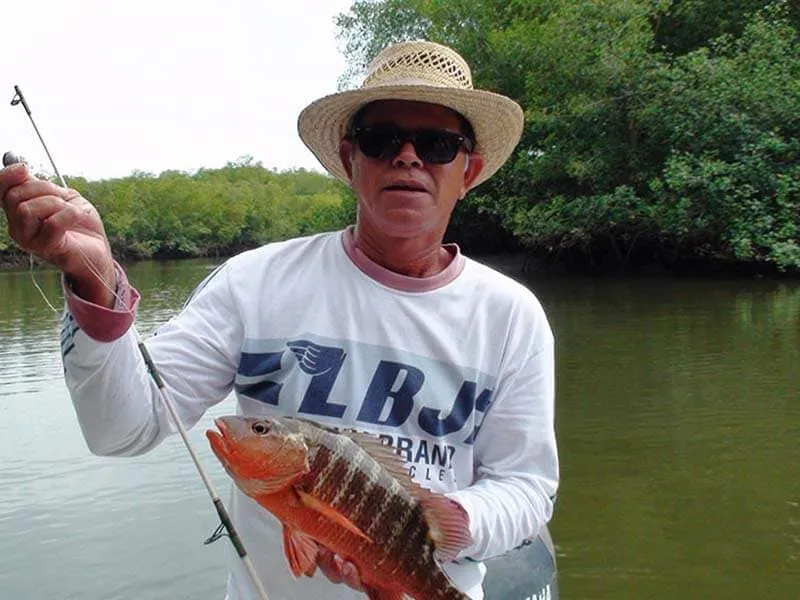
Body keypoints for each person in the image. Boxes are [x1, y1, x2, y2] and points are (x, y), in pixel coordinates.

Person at [0, 40, 558, 600]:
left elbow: (528, 486)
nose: (407, 157)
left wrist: (450, 521)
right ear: (349, 159)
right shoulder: (254, 284)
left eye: (438, 144)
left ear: (470, 170)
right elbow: (121, 428)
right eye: (381, 139)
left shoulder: (510, 318)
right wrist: (95, 280)